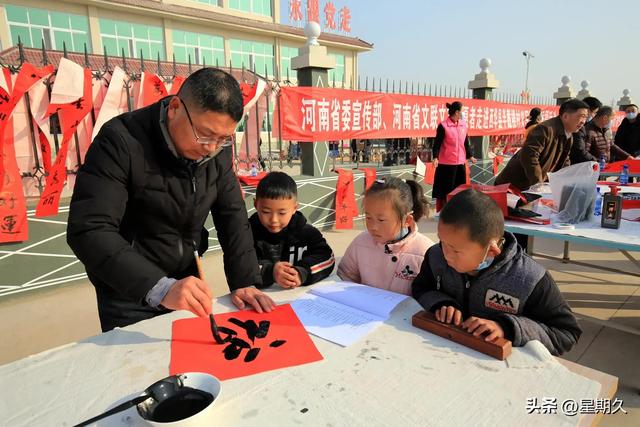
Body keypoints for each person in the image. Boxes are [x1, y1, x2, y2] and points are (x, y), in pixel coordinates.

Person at [67, 68, 275, 332]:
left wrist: (244, 279)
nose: (211, 148)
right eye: (205, 134)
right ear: (175, 107)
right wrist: (159, 287)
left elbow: (231, 213)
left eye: (224, 138)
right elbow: (89, 229)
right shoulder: (121, 141)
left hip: (186, 278)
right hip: (129, 288)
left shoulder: (216, 149)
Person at [411, 189, 581, 355]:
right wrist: (441, 303)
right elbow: (421, 288)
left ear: (491, 251)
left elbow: (566, 333)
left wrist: (507, 328)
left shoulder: (529, 279)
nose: (445, 254)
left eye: (455, 250)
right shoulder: (435, 256)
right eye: (442, 242)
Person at [337, 177, 434, 295]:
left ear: (407, 220)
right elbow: (345, 277)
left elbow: (430, 294)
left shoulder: (426, 252)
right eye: (368, 217)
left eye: (381, 220)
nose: (373, 227)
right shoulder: (360, 243)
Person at [250, 171, 335, 289]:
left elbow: (327, 257)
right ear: (255, 204)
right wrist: (270, 272)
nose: (274, 220)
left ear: (295, 208)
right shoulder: (247, 234)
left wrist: (302, 272)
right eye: (266, 212)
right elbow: (239, 264)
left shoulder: (306, 233)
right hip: (258, 300)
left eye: (282, 213)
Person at [495, 98, 589, 191]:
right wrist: (538, 184)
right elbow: (529, 156)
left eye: (586, 117)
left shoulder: (569, 135)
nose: (583, 121)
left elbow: (564, 161)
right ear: (565, 116)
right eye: (582, 116)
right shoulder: (545, 129)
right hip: (515, 187)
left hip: (533, 187)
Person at [431, 101, 476, 212]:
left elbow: (465, 142)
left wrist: (470, 156)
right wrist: (435, 157)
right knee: (446, 190)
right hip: (446, 164)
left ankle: (458, 211)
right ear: (457, 112)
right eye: (462, 111)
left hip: (460, 163)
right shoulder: (443, 126)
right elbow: (437, 144)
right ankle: (445, 211)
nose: (463, 113)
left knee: (460, 189)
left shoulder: (463, 125)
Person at [569, 96, 602, 164]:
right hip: (575, 164)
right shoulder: (578, 126)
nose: (594, 115)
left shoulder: (587, 125)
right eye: (594, 112)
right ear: (588, 110)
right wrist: (596, 161)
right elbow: (579, 150)